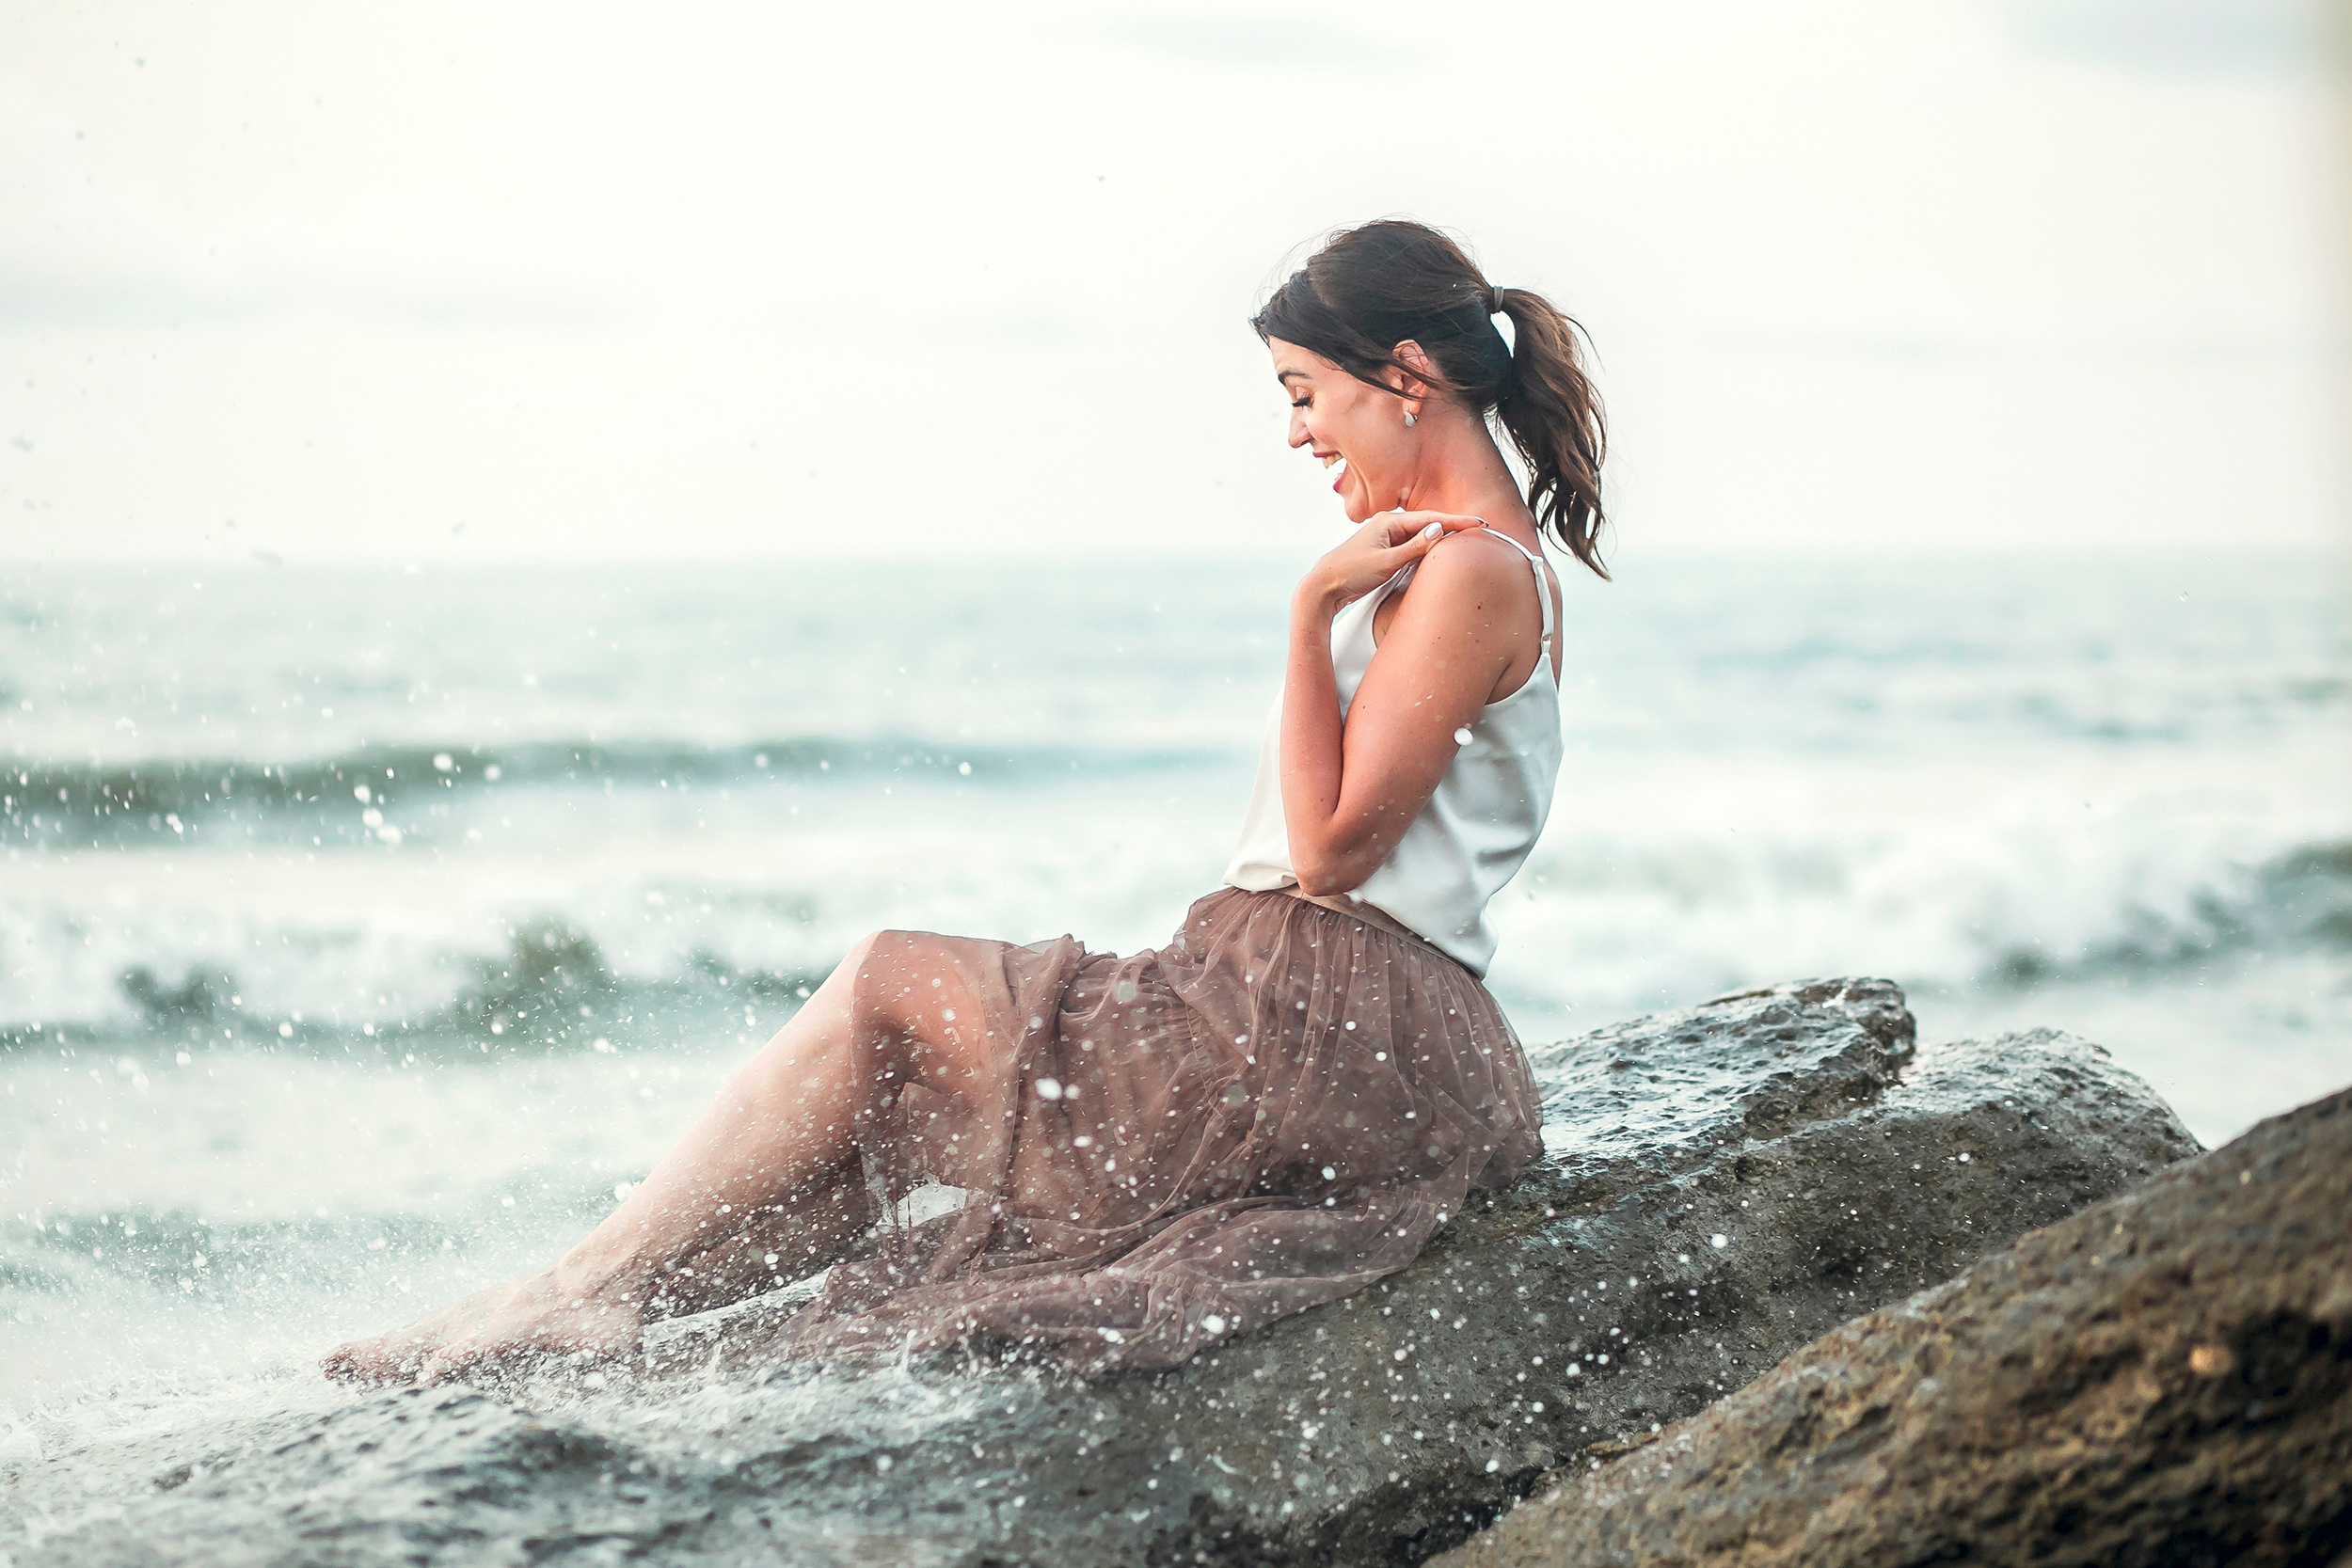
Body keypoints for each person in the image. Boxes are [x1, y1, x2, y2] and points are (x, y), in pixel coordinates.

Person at [322, 218, 1608, 1385]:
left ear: (1404, 375)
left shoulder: (1470, 574)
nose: (1295, 433)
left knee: (888, 981)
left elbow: (1329, 854)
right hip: (1328, 1011)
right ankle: (569, 1307)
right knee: (901, 1093)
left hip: (1322, 1014)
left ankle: (579, 1293)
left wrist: (1305, 611)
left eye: (1304, 394)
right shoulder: (1453, 564)